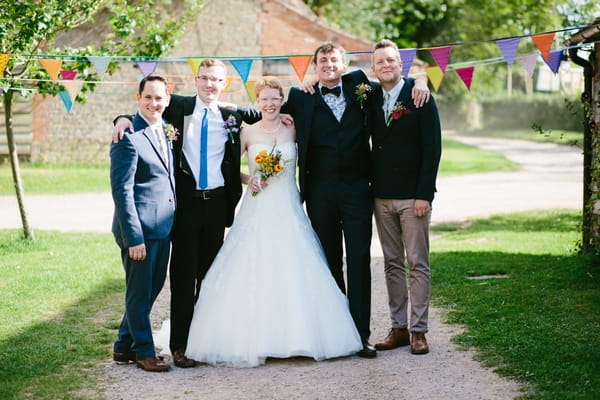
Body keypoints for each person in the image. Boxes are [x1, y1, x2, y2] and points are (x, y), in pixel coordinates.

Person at [237, 42, 430, 358]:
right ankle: (337, 334)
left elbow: (395, 84)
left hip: (357, 190)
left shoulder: (360, 87)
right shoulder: (300, 97)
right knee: (329, 262)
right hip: (319, 192)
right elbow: (263, 109)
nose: (328, 64)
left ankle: (361, 335)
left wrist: (419, 80)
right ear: (314, 66)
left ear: (344, 64)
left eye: (333, 59)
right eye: (322, 60)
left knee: (358, 261)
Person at [183, 77, 363, 367]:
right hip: (258, 208)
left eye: (275, 99)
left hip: (289, 206)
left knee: (295, 265)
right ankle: (256, 338)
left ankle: (299, 337)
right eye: (264, 99)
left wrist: (313, 80)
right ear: (257, 102)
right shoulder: (246, 132)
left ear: (282, 101)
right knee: (254, 264)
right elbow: (227, 166)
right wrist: (248, 178)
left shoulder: (294, 128)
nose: (270, 104)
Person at [113, 59, 245, 368]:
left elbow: (264, 111)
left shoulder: (232, 116)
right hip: (184, 207)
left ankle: (203, 339)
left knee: (210, 278)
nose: (210, 84)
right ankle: (180, 346)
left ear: (224, 84)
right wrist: (120, 119)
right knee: (182, 279)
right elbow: (144, 110)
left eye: (216, 80)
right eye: (205, 78)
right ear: (195, 80)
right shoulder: (177, 109)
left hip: (216, 205)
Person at [368, 39, 441, 354]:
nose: (386, 65)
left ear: (402, 64)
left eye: (391, 60)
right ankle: (398, 328)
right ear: (373, 68)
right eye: (380, 61)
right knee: (392, 263)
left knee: (417, 262)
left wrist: (424, 194)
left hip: (414, 199)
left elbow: (432, 148)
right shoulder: (368, 97)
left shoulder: (419, 97)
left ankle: (419, 331)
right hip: (381, 196)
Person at [110, 74, 175, 372]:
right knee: (139, 294)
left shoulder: (165, 129)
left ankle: (124, 346)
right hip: (139, 231)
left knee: (151, 290)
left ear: (167, 100)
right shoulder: (127, 136)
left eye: (159, 98)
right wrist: (133, 237)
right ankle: (144, 353)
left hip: (163, 227)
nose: (153, 103)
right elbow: (122, 191)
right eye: (148, 97)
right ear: (138, 98)